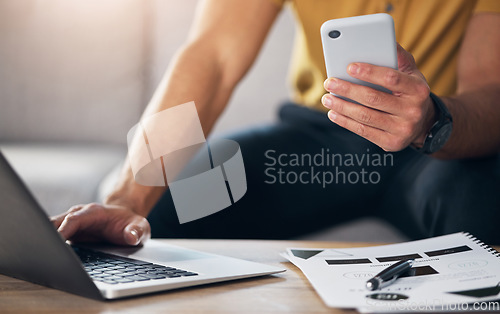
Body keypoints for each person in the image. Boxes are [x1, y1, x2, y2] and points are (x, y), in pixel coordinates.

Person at [52, 0, 500, 245]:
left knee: (486, 218)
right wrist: (128, 196)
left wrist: (430, 122)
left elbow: (491, 91)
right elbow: (214, 58)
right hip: (318, 137)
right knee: (168, 207)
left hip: (439, 143)